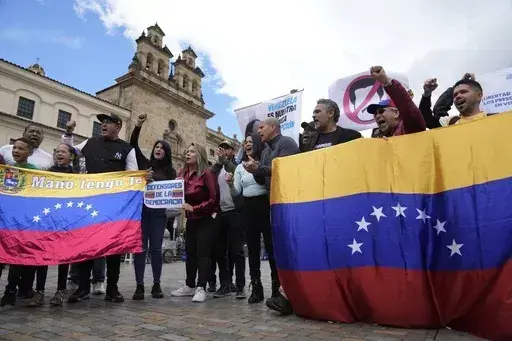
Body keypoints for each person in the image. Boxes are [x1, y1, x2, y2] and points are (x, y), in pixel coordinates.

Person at [62, 113, 138, 303]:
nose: (103, 125)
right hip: (90, 204)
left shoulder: (127, 149)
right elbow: (68, 148)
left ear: (118, 126)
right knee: (87, 245)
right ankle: (83, 288)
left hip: (113, 206)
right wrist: (69, 132)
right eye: (102, 122)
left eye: (108, 122)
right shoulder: (89, 142)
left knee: (113, 248)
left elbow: (133, 176)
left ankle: (112, 289)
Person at [243, 118, 299, 314]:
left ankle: (283, 291)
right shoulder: (266, 151)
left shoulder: (287, 143)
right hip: (272, 204)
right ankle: (278, 292)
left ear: (273, 127)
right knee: (275, 247)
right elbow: (263, 176)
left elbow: (285, 170)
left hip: (290, 201)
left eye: (262, 127)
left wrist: (260, 168)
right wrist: (254, 169)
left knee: (284, 249)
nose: (258, 131)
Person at [25, 143, 80, 307]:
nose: (58, 154)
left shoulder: (76, 176)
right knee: (43, 256)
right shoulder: (46, 174)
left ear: (71, 156)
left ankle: (60, 291)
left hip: (66, 222)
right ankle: (39, 291)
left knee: (63, 258)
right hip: (47, 221)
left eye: (63, 151)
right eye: (56, 151)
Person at [130, 113, 176, 300]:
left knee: (156, 249)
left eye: (162, 147)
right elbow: (133, 145)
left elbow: (173, 193)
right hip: (142, 213)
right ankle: (139, 285)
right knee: (140, 249)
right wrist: (139, 125)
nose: (158, 149)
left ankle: (156, 284)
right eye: (156, 146)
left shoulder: (170, 172)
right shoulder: (145, 164)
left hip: (159, 215)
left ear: (166, 153)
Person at [171, 143, 220, 303]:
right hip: (191, 219)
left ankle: (201, 287)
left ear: (199, 155)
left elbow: (214, 200)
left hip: (206, 219)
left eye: (192, 151)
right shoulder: (182, 173)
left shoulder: (207, 173)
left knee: (203, 253)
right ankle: (189, 285)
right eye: (187, 151)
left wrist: (195, 208)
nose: (187, 153)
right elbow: (176, 194)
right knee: (190, 253)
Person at [226, 133, 270, 304]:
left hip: (264, 205)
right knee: (252, 249)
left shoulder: (264, 160)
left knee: (270, 246)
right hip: (248, 208)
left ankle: (275, 288)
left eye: (251, 142)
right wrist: (230, 184)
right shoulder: (239, 167)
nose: (247, 144)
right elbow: (237, 191)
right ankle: (256, 287)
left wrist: (257, 168)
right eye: (245, 142)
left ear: (257, 144)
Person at [0, 138, 38, 306]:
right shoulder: (6, 170)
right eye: (14, 147)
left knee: (15, 259)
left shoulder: (34, 172)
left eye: (21, 148)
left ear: (29, 152)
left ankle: (10, 291)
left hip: (21, 223)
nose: (16, 151)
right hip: (4, 221)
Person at [210, 140, 246, 299]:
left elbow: (234, 170)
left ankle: (240, 286)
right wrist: (218, 163)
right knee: (220, 252)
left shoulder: (237, 166)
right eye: (221, 148)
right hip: (219, 213)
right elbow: (209, 177)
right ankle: (224, 284)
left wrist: (224, 161)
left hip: (234, 213)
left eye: (226, 148)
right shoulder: (217, 168)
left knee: (236, 251)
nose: (223, 150)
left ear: (233, 151)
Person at [366, 66, 426, 137]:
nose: (377, 116)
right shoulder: (378, 140)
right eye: (375, 114)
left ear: (396, 113)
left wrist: (387, 82)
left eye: (381, 111)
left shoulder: (409, 129)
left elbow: (407, 108)